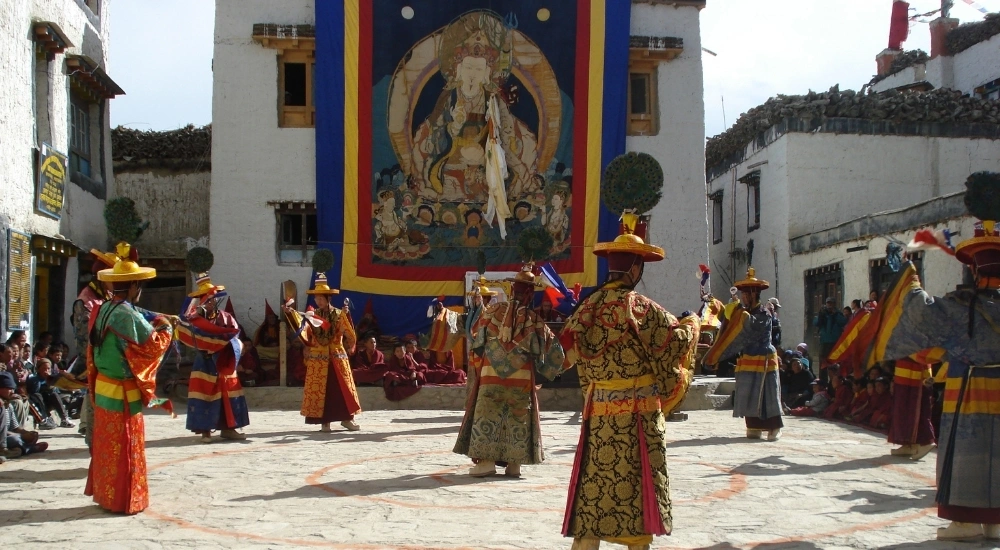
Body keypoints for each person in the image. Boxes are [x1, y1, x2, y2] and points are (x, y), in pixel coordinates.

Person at [867, 176, 1000, 540]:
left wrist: (908, 277)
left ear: (973, 268)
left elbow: (920, 312)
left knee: (972, 447)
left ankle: (968, 520)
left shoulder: (964, 308)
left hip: (972, 391)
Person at [560, 211, 699, 549]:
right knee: (634, 480)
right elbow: (673, 342)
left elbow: (569, 353)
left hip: (599, 411)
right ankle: (636, 541)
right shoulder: (640, 308)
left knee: (596, 477)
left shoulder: (587, 307)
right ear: (635, 269)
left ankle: (587, 539)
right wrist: (694, 323)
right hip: (637, 411)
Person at [84, 242, 176, 514]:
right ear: (135, 286)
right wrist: (166, 326)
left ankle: (106, 495)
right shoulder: (126, 314)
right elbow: (152, 344)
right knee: (125, 444)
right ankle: (124, 500)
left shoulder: (102, 309)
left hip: (104, 387)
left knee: (107, 445)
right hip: (122, 391)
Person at [454, 263, 565, 478]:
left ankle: (486, 462)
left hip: (491, 378)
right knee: (517, 417)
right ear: (530, 294)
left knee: (488, 415)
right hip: (520, 381)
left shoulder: (493, 312)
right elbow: (554, 353)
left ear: (512, 290)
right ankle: (514, 464)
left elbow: (476, 337)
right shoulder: (536, 322)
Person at [704, 264, 784, 441]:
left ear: (755, 294)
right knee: (748, 392)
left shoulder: (764, 313)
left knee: (767, 393)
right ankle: (753, 425)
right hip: (747, 358)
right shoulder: (743, 312)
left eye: (746, 294)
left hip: (764, 359)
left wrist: (743, 317)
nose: (743, 298)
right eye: (742, 294)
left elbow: (751, 328)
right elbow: (731, 328)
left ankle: (774, 426)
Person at [283, 271, 361, 432]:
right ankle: (325, 422)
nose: (318, 301)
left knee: (342, 389)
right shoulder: (312, 315)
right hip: (318, 359)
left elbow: (349, 332)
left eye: (321, 298)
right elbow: (303, 329)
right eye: (316, 298)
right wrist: (291, 314)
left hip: (337, 357)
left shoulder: (339, 314)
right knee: (322, 391)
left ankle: (347, 419)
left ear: (328, 298)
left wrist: (350, 344)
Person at [178, 271, 249, 444]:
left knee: (229, 396)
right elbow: (189, 336)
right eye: (207, 300)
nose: (211, 302)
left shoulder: (225, 317)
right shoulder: (194, 320)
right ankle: (206, 432)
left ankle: (229, 428)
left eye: (213, 299)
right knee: (205, 396)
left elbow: (234, 335)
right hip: (205, 363)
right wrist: (209, 345)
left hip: (224, 362)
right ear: (201, 301)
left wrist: (230, 348)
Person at [1, 372, 47, 461]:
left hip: (8, 435)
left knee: (26, 437)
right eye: (8, 389)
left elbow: (16, 427)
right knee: (16, 439)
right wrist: (20, 436)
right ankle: (29, 449)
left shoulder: (8, 406)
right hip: (2, 438)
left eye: (12, 389)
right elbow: (2, 432)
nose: (12, 392)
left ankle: (22, 448)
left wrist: (27, 433)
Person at [25, 359, 72, 429]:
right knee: (38, 395)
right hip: (38, 403)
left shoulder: (51, 378)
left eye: (48, 368)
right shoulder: (34, 379)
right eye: (44, 369)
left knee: (54, 394)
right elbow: (34, 393)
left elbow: (54, 390)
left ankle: (64, 419)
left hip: (48, 402)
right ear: (38, 370)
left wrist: (49, 380)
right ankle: (45, 419)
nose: (46, 371)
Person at [814, 297, 847, 363]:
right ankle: (823, 373)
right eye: (828, 303)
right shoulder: (823, 313)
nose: (829, 305)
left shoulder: (838, 313)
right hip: (824, 340)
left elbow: (843, 322)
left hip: (835, 340)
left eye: (831, 303)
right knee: (823, 360)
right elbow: (816, 323)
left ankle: (834, 372)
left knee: (834, 359)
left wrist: (835, 314)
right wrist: (821, 314)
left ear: (834, 304)